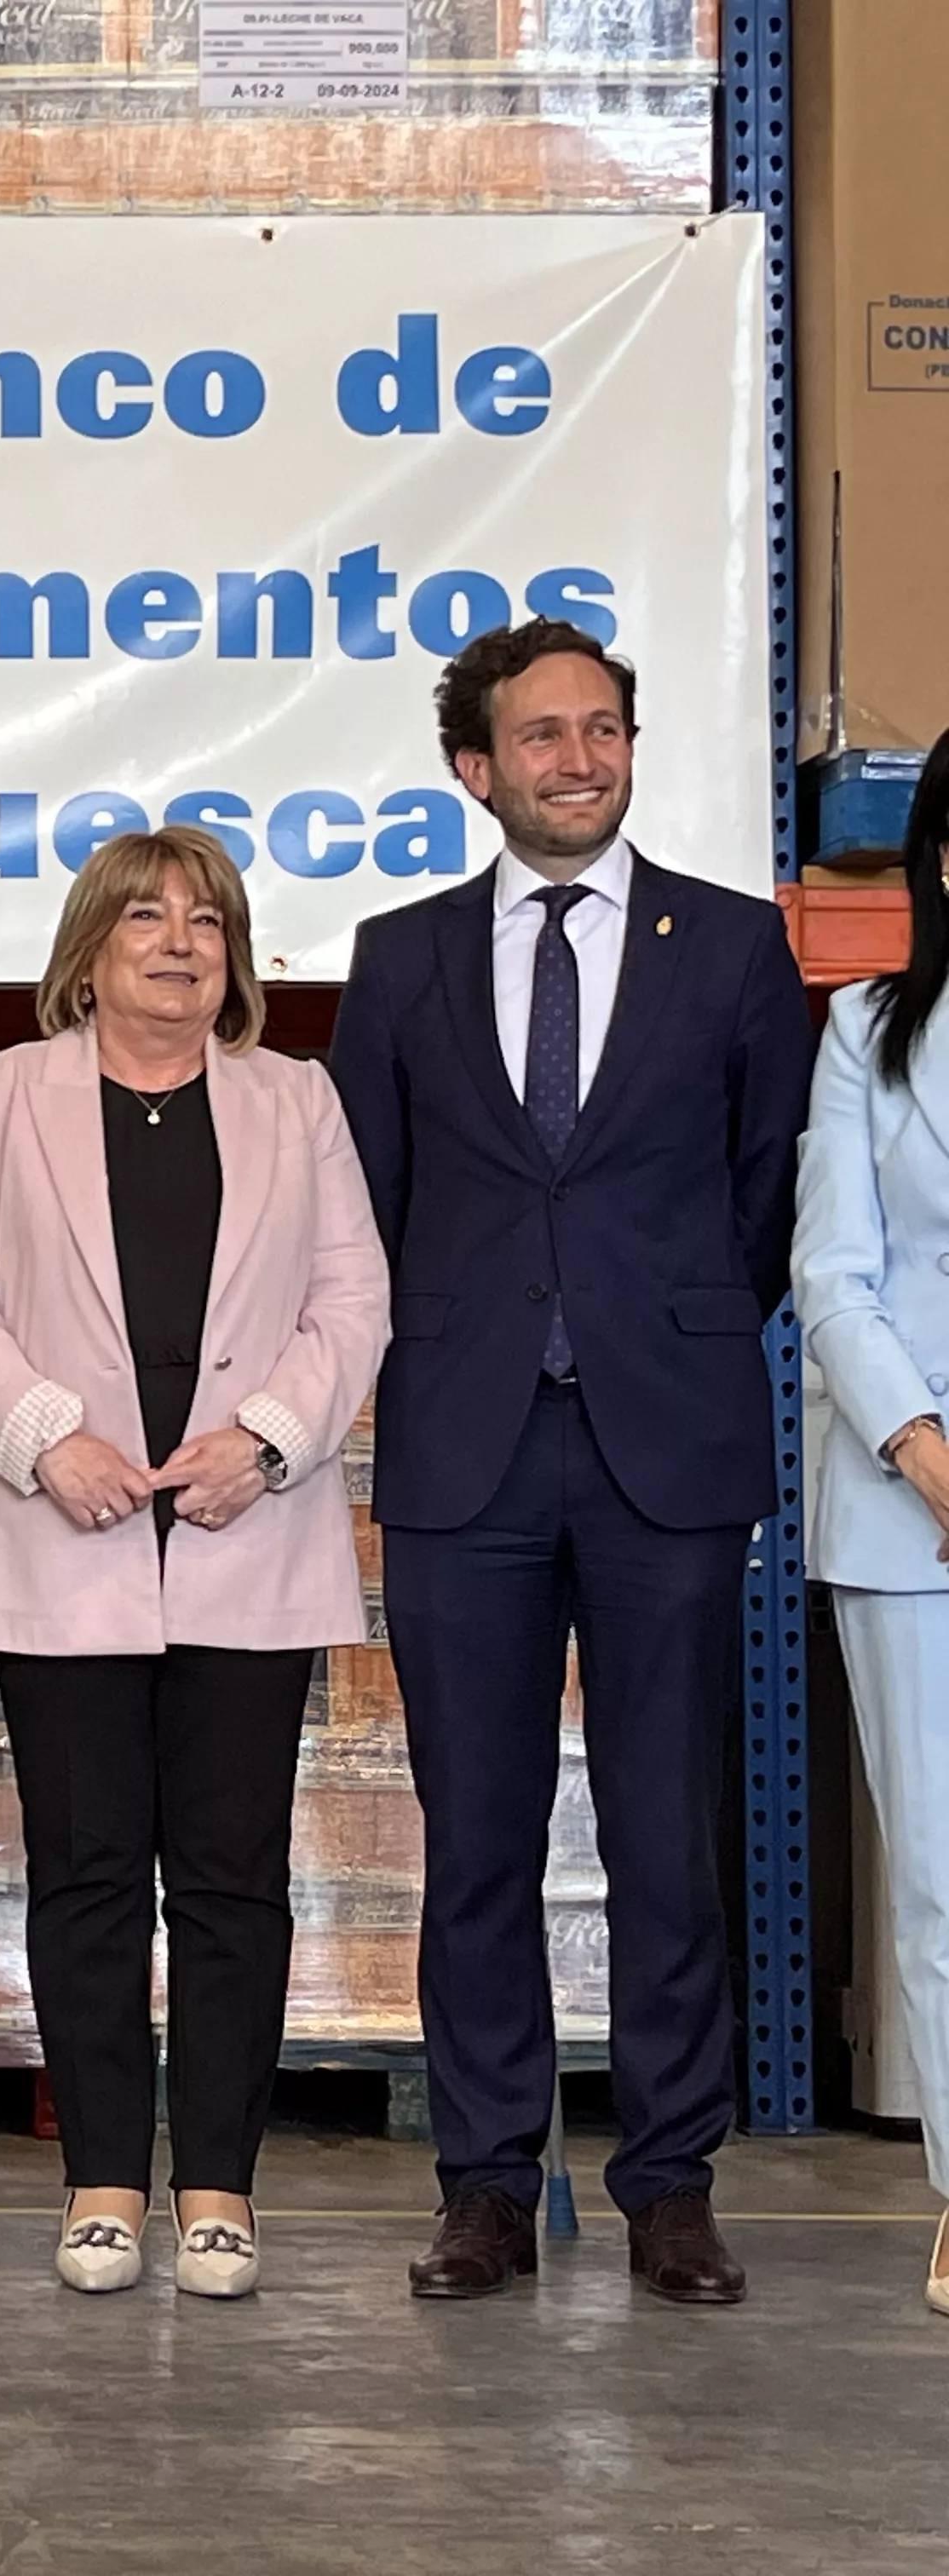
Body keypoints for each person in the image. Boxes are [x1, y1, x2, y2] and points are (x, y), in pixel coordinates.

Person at [331, 618, 811, 2305]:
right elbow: (366, 1215)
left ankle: (671, 2182)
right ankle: (484, 2180)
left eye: (602, 729)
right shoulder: (397, 961)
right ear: (478, 767)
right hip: (463, 1448)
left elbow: (763, 1203)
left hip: (663, 1443)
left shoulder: (737, 948)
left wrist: (653, 1329)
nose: (577, 760)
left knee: (673, 1830)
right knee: (477, 1836)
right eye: (541, 736)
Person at [0, 828, 388, 2300]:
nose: (180, 943)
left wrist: (270, 1440)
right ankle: (105, 2185)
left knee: (236, 1880)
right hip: (72, 1529)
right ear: (91, 948)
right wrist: (46, 1434)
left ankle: (223, 2192)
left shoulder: (294, 1098)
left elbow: (352, 1297)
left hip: (245, 1521)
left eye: (208, 922)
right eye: (145, 920)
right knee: (91, 1872)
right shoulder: (4, 1092)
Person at [792, 726, 949, 2317]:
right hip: (918, 1516)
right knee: (944, 1887)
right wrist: (926, 1448)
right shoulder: (869, 1033)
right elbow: (832, 1273)